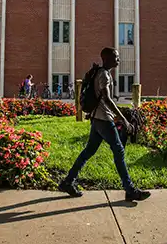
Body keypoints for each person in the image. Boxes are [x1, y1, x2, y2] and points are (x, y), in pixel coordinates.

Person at [59, 47, 151, 202]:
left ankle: (68, 182)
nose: (118, 59)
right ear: (107, 58)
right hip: (103, 119)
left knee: (88, 151)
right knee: (119, 151)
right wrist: (123, 119)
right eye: (116, 57)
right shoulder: (104, 75)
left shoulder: (99, 72)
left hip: (96, 118)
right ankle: (129, 189)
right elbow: (107, 99)